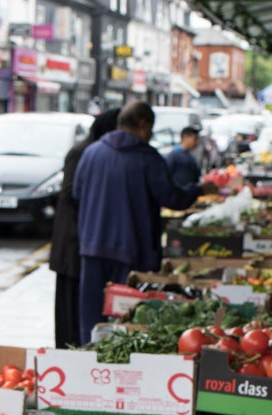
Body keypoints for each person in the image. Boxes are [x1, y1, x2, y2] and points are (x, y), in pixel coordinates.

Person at [72, 101, 218, 344]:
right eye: (150, 129)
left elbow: (76, 194)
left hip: (93, 246)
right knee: (126, 319)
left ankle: (89, 362)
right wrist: (200, 189)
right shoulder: (147, 158)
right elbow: (171, 197)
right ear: (143, 125)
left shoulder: (92, 153)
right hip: (131, 251)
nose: (150, 135)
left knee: (91, 317)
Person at [48, 108, 119, 349]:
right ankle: (69, 354)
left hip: (84, 238)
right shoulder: (82, 153)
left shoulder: (95, 152)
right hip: (73, 241)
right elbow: (69, 193)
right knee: (70, 306)